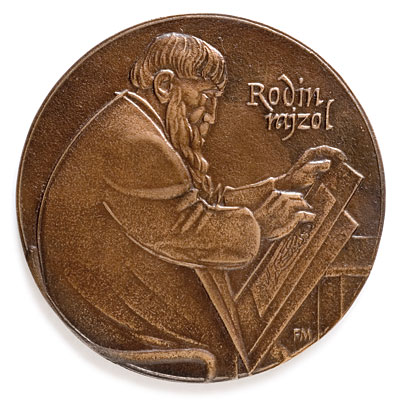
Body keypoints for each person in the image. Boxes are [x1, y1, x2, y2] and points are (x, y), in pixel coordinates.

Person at [38, 32, 344, 380]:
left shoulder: (137, 124)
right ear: (166, 85)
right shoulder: (137, 143)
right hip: (121, 331)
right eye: (207, 97)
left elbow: (203, 200)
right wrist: (260, 225)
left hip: (118, 308)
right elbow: (189, 229)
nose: (210, 116)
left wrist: (284, 185)